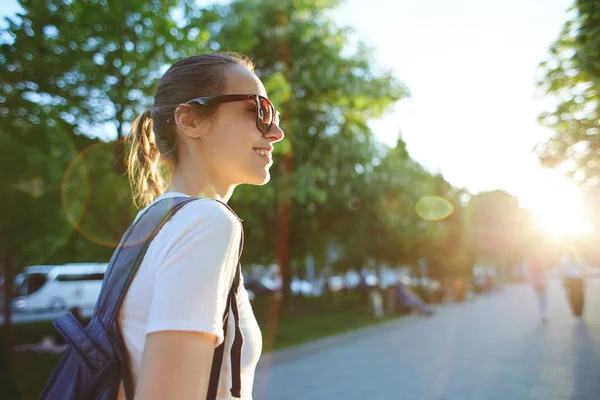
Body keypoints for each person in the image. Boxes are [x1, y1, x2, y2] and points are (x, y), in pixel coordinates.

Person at [117, 53, 284, 399]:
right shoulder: (207, 223)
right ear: (190, 121)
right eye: (258, 111)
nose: (277, 132)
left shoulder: (152, 221)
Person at [560, 249, 586, 319]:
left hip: (570, 280)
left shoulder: (565, 261)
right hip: (578, 279)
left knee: (572, 297)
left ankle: (576, 313)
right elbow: (583, 271)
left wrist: (563, 282)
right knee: (580, 297)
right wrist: (584, 281)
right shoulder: (579, 260)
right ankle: (580, 313)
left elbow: (563, 272)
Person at [528, 251, 548, 322]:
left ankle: (541, 314)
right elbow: (542, 273)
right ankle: (543, 314)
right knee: (543, 298)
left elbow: (530, 274)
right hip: (541, 283)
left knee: (539, 298)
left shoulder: (531, 265)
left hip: (535, 284)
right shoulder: (539, 264)